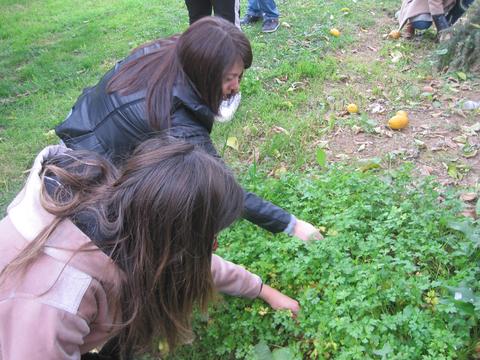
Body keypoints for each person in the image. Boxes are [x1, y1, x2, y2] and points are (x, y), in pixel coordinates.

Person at [0, 139, 300, 359]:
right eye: (210, 237)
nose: (213, 246)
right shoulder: (58, 301)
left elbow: (190, 261)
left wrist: (264, 291)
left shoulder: (124, 213)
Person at [55, 17, 322, 245]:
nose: (237, 87)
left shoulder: (170, 51)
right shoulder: (179, 123)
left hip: (83, 125)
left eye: (239, 76)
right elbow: (223, 186)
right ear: (205, 71)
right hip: (90, 174)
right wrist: (292, 225)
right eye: (229, 78)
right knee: (134, 240)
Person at [398, 0, 474, 41]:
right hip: (419, 3)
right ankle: (409, 20)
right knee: (421, 24)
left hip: (443, 2)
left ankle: (446, 28)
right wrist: (443, 29)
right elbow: (434, 3)